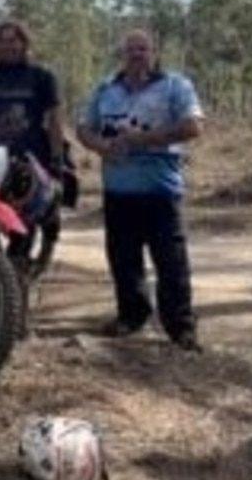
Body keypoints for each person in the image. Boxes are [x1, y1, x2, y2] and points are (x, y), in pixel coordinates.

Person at [76, 28, 205, 352]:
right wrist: (101, 145)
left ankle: (181, 328)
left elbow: (193, 126)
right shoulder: (106, 88)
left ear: (154, 52)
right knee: (123, 260)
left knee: (171, 262)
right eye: (131, 49)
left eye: (143, 48)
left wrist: (143, 139)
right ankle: (131, 317)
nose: (137, 54)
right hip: (118, 192)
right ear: (123, 53)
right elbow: (82, 128)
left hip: (161, 191)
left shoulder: (175, 86)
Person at [0, 19, 66, 284]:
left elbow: (54, 119)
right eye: (2, 41)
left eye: (14, 40)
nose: (8, 46)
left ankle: (17, 290)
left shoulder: (41, 77)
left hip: (28, 163)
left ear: (24, 44)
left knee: (24, 227)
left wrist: (57, 158)